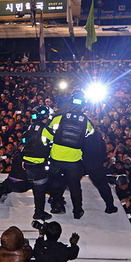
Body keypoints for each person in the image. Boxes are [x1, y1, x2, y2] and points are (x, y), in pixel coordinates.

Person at [43, 89, 95, 219]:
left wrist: (48, 145)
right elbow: (91, 137)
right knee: (75, 186)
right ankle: (77, 210)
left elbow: (46, 135)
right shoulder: (87, 122)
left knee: (55, 183)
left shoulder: (59, 118)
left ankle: (57, 205)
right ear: (84, 105)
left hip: (56, 158)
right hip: (74, 161)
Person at [22, 105, 53, 220]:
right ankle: (39, 213)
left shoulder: (30, 127)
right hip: (38, 165)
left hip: (27, 164)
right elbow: (54, 140)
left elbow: (24, 140)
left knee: (36, 188)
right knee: (40, 190)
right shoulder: (45, 129)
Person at [83, 128, 118, 214]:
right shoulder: (101, 142)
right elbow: (101, 157)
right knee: (103, 186)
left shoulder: (85, 138)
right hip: (95, 166)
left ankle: (57, 199)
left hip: (82, 163)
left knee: (71, 181)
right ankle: (110, 206)